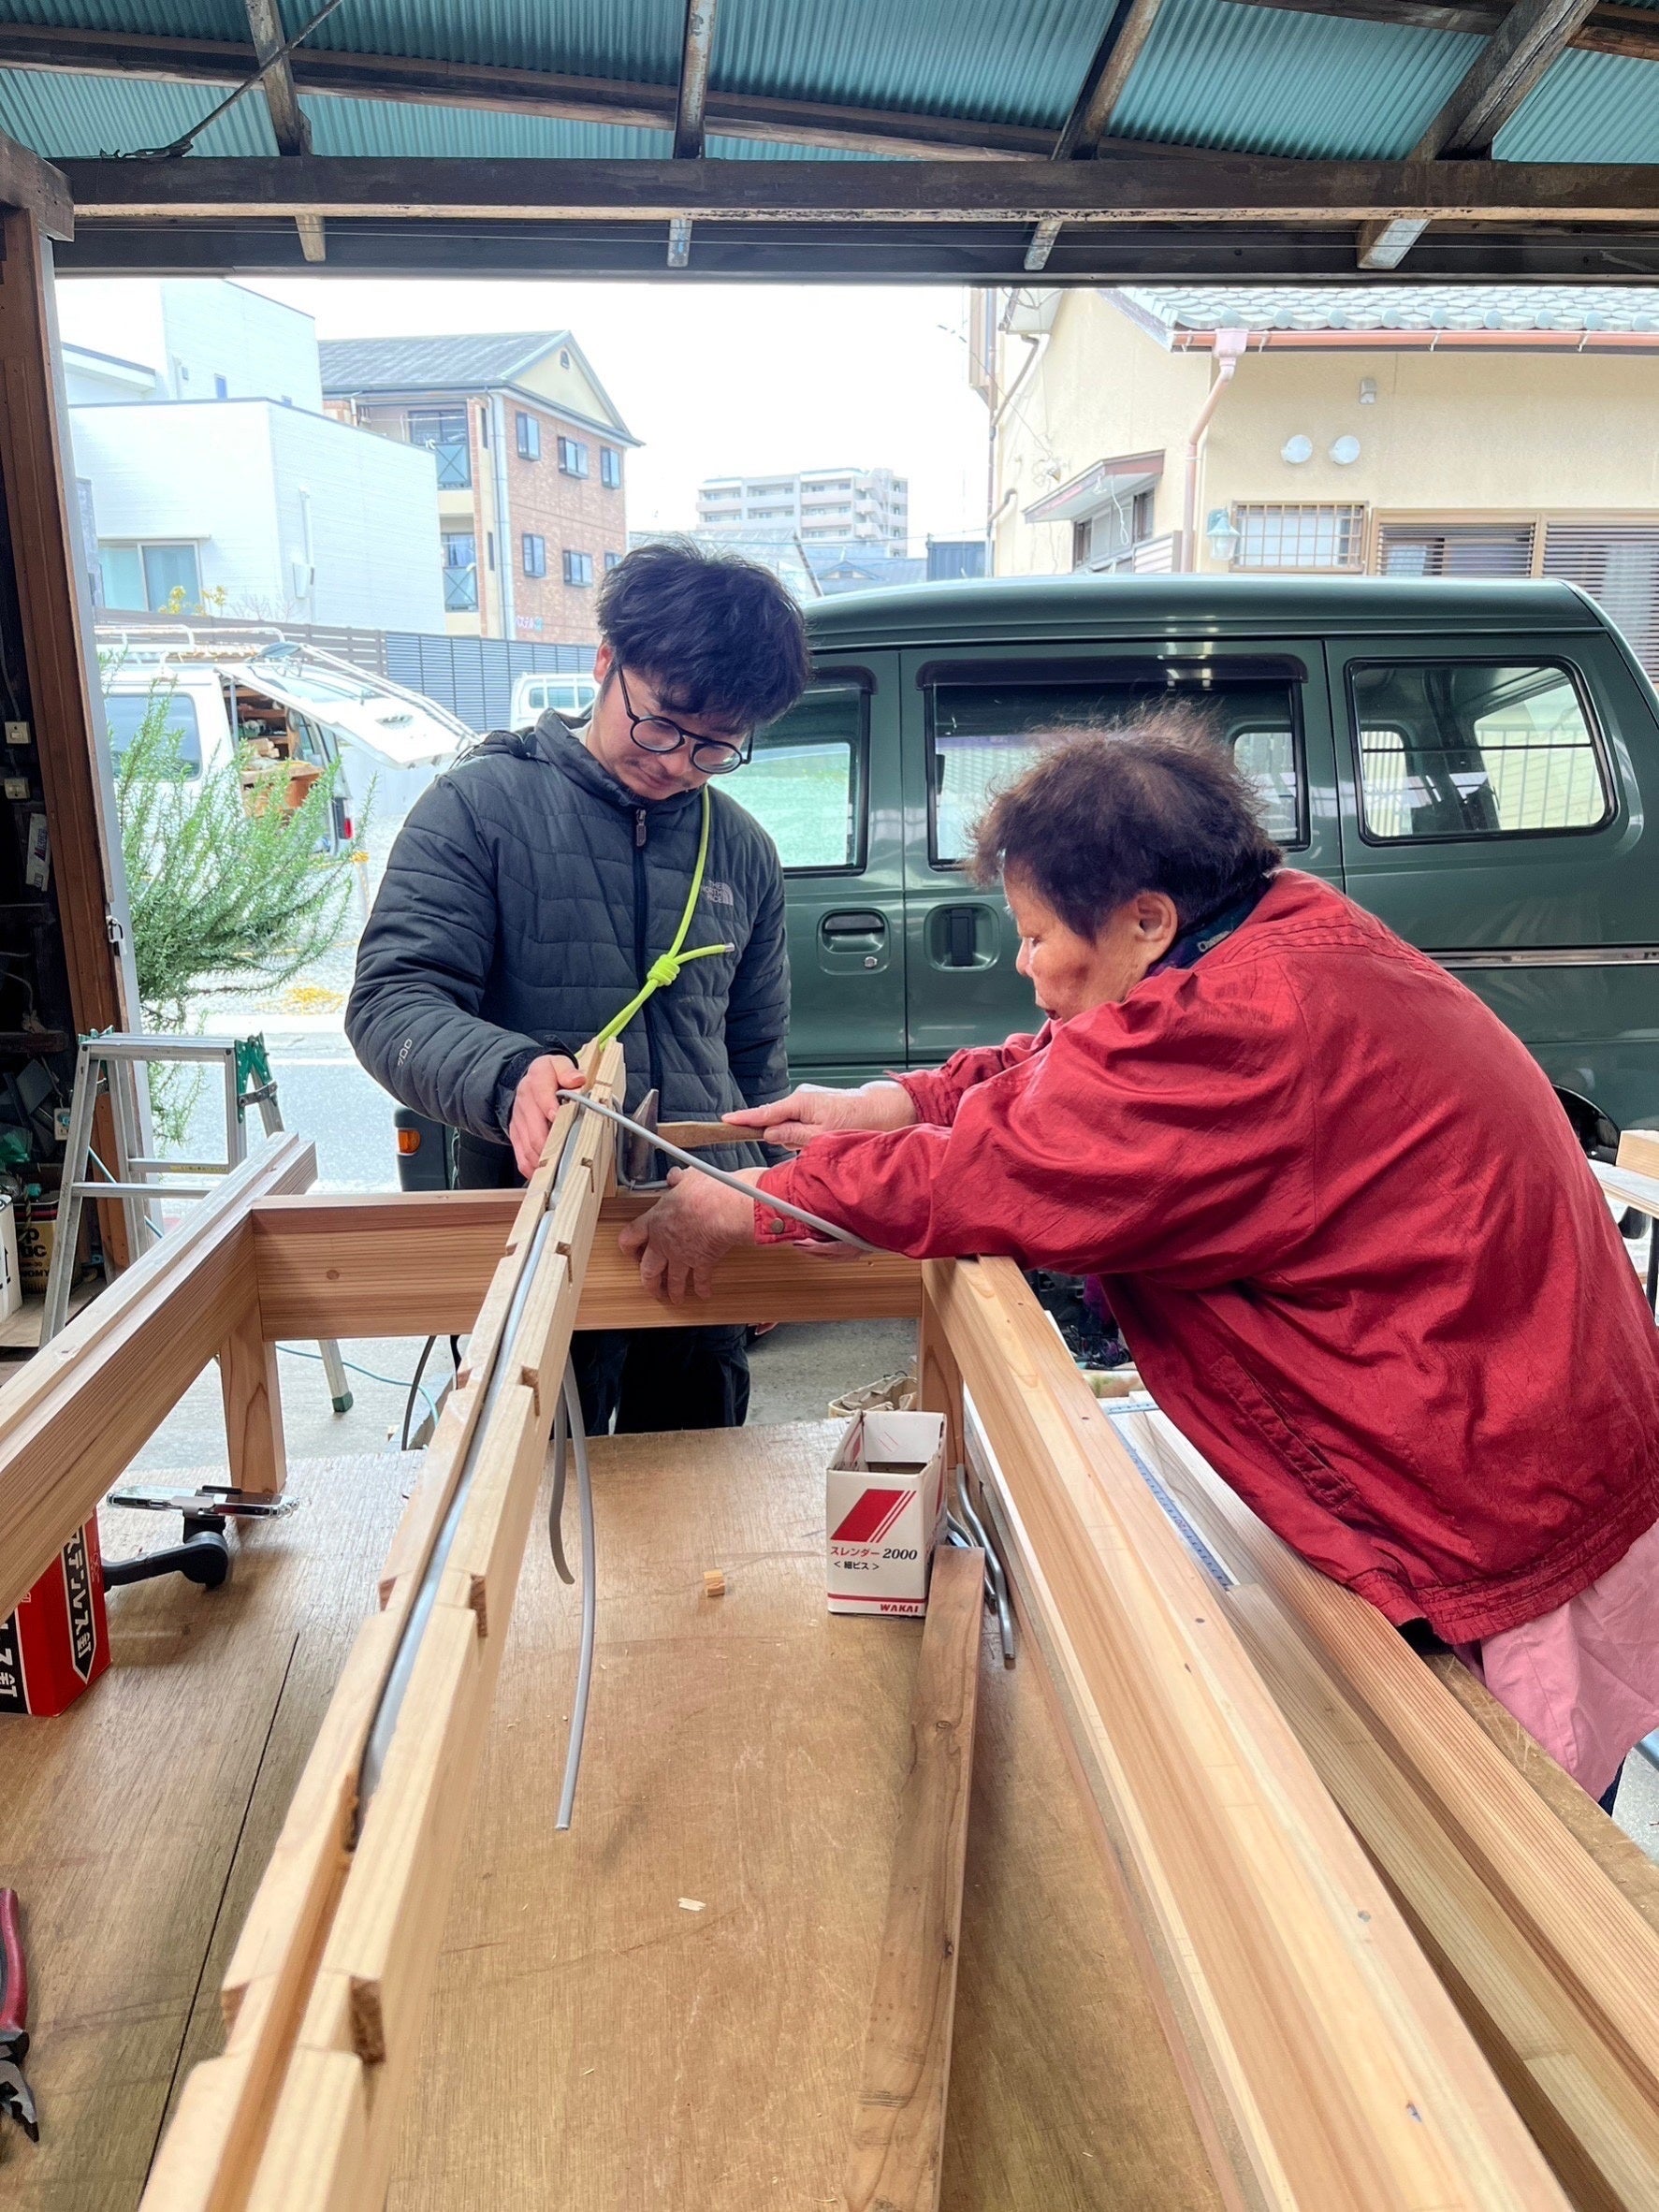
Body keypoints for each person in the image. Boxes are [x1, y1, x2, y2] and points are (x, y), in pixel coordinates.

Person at [621, 710, 1659, 1810]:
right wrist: (892, 1103)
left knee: (1503, 1846)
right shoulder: (1264, 933)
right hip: (1520, 1419)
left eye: (1034, 936)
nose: (1026, 969)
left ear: (1148, 919)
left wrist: (749, 1202)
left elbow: (1014, 1169)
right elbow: (1073, 1062)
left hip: (1495, 1482)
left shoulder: (1256, 1021)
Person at [347, 537, 810, 1433]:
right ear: (606, 664)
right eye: (663, 722)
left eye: (717, 745)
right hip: (529, 1225)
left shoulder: (743, 849)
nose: (678, 761)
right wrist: (505, 1072)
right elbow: (391, 1001)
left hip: (693, 1227)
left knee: (693, 1490)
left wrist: (768, 1212)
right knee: (529, 1493)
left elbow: (756, 1064)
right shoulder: (479, 808)